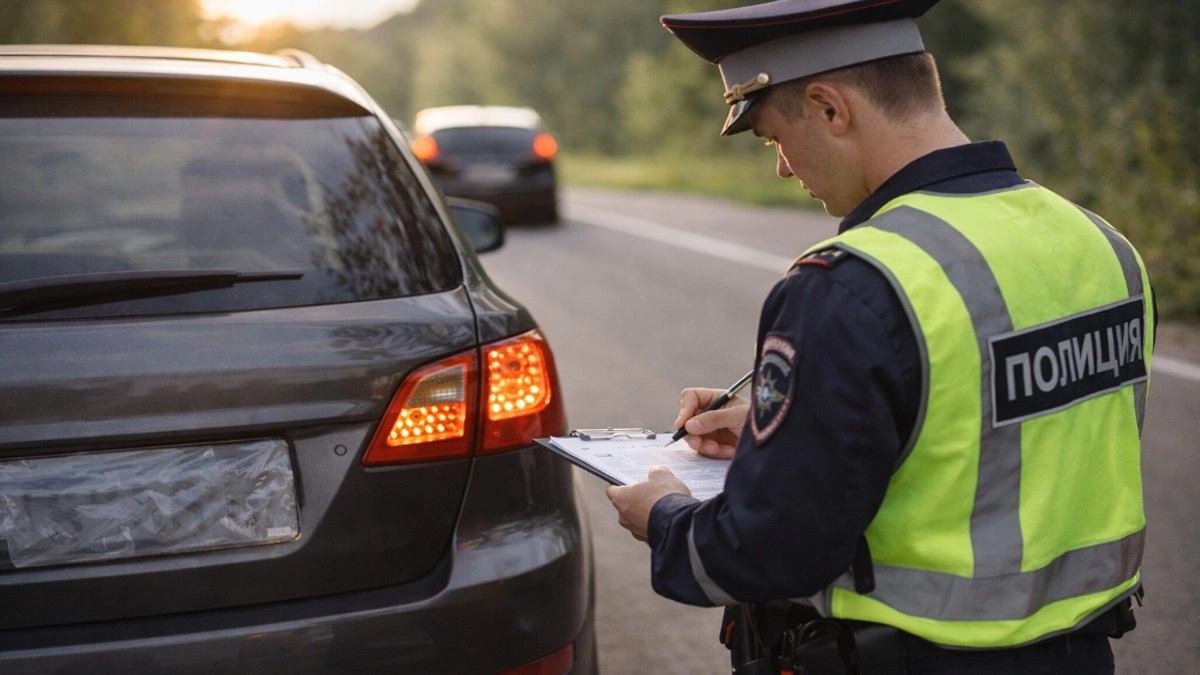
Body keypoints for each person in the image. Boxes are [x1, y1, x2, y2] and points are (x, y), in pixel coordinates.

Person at [604, 1, 1155, 672]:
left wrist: (662, 516)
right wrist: (799, 423)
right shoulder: (1100, 244)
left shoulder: (851, 285)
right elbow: (1012, 430)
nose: (781, 168)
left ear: (831, 108)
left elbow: (772, 548)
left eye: (775, 138)